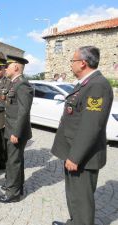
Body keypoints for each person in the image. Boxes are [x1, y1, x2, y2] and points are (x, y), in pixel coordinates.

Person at [51, 46, 113, 225]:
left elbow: (91, 126)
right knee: (75, 196)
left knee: (82, 200)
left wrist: (75, 156)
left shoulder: (97, 85)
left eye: (73, 61)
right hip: (75, 152)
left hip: (83, 156)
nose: (71, 65)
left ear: (83, 63)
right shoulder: (86, 83)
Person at [0, 55, 33, 203]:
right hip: (11, 129)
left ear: (16, 67)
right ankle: (15, 186)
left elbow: (24, 111)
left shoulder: (22, 84)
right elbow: (9, 106)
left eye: (8, 65)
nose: (5, 68)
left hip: (16, 131)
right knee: (14, 160)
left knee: (13, 162)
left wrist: (16, 133)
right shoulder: (14, 83)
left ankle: (13, 194)